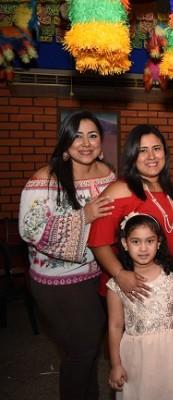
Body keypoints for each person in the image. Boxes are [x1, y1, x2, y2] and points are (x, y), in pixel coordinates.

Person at [19, 110, 116, 400]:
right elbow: (31, 230)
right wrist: (84, 215)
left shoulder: (108, 173)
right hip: (59, 282)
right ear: (65, 141)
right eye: (76, 136)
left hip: (98, 275)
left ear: (101, 141)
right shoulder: (45, 180)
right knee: (81, 352)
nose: (85, 143)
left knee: (89, 350)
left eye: (92, 135)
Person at [107, 213, 173, 400]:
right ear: (125, 243)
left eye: (149, 241)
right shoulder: (117, 285)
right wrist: (116, 364)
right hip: (138, 356)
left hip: (171, 350)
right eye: (135, 242)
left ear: (158, 242)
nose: (143, 248)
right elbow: (115, 326)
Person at [89, 124, 173, 302]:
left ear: (165, 152)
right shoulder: (119, 190)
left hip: (168, 284)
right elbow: (97, 241)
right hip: (133, 287)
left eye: (156, 148)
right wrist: (120, 274)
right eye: (143, 151)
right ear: (132, 156)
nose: (151, 156)